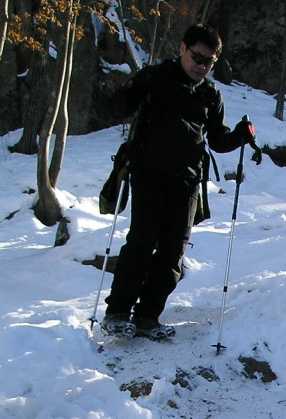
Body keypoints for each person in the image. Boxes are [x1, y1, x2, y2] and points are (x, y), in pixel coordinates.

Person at [101, 24, 256, 340]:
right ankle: (118, 311)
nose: (201, 65)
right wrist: (131, 90)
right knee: (143, 241)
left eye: (208, 61)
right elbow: (117, 108)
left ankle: (147, 316)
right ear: (183, 49)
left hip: (187, 180)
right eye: (197, 57)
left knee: (174, 250)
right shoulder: (155, 77)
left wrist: (241, 136)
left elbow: (218, 139)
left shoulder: (210, 94)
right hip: (148, 172)